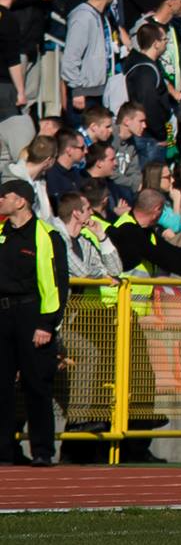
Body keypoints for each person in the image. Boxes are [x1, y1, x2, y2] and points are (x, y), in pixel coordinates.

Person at [0, 179, 65, 465]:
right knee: (1, 386)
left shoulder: (47, 235)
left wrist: (46, 324)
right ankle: (4, 450)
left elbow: (56, 285)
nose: (1, 200)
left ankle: (42, 451)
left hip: (32, 314)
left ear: (21, 201)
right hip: (3, 315)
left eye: (5, 196)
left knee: (36, 385)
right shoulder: (1, 232)